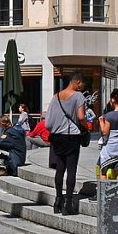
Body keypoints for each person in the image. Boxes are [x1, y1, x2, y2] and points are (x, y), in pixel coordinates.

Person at [45, 73, 87, 215]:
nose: (82, 87)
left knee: (60, 169)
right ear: (77, 82)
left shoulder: (55, 96)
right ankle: (68, 203)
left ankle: (58, 200)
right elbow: (81, 116)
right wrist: (86, 127)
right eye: (82, 85)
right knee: (71, 169)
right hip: (71, 136)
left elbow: (48, 122)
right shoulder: (78, 96)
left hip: (57, 137)